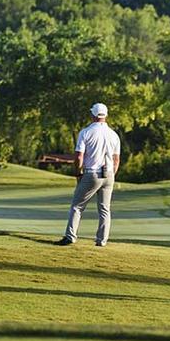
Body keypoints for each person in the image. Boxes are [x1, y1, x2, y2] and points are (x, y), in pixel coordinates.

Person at [56, 103, 121, 247]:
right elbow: (116, 160)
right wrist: (112, 175)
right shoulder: (114, 135)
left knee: (77, 206)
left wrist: (78, 174)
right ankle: (101, 241)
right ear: (106, 115)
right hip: (109, 174)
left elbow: (79, 157)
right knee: (104, 209)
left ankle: (70, 237)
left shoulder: (86, 132)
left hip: (91, 173)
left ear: (93, 115)